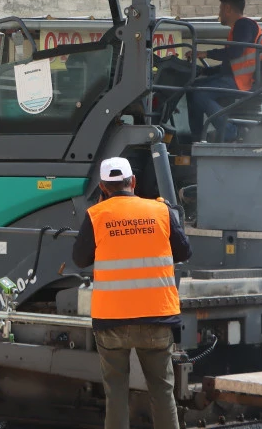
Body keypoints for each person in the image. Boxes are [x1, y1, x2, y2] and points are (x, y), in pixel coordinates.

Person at [73, 157, 191, 429]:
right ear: (133, 182)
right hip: (157, 318)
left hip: (112, 321)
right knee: (162, 391)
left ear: (103, 187)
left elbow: (80, 259)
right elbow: (184, 252)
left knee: (116, 393)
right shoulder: (161, 211)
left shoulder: (97, 216)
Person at [185, 0, 262, 141]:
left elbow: (235, 52)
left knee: (200, 94)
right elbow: (231, 63)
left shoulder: (244, 24)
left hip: (242, 81)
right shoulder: (239, 28)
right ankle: (196, 137)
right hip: (235, 78)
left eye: (220, 9)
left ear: (227, 8)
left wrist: (205, 53)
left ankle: (229, 131)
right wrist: (205, 71)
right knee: (192, 88)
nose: (219, 13)